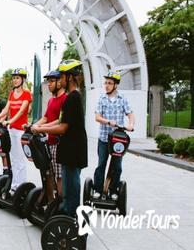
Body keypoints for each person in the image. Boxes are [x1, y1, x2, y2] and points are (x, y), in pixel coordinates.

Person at [32, 60, 88, 217]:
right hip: (69, 149)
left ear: (69, 77)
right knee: (68, 185)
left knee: (71, 187)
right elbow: (59, 121)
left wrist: (41, 129)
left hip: (73, 149)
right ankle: (66, 213)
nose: (61, 79)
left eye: (62, 76)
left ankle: (71, 218)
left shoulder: (73, 98)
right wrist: (40, 127)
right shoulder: (71, 97)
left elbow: (63, 127)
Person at [93, 71, 135, 200]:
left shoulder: (123, 99)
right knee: (101, 164)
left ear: (116, 85)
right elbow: (97, 117)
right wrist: (108, 122)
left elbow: (130, 113)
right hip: (104, 138)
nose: (107, 85)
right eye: (106, 83)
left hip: (118, 139)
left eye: (110, 83)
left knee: (117, 166)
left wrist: (131, 124)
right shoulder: (102, 98)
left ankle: (113, 190)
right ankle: (98, 190)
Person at [0, 68, 32, 194]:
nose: (15, 80)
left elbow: (22, 111)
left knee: (21, 160)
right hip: (12, 131)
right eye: (14, 78)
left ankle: (22, 186)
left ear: (22, 79)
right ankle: (15, 185)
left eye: (17, 78)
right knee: (13, 158)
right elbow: (6, 109)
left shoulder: (27, 94)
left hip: (21, 131)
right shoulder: (12, 94)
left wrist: (10, 121)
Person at [33, 70, 66, 199]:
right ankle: (51, 201)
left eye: (52, 81)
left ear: (59, 82)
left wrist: (40, 128)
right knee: (48, 174)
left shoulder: (65, 99)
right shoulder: (51, 100)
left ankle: (60, 203)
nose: (49, 84)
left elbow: (60, 121)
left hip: (59, 143)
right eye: (48, 81)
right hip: (49, 142)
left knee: (59, 176)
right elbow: (46, 118)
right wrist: (33, 125)